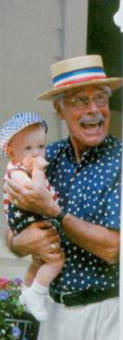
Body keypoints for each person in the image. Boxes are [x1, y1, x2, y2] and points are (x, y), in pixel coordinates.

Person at [5, 54, 123, 340]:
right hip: (55, 311)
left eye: (100, 98)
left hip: (109, 310)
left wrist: (54, 212)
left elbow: (114, 248)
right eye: (80, 101)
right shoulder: (45, 156)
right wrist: (21, 242)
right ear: (60, 110)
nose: (93, 110)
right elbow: (13, 232)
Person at [0, 112, 64, 321]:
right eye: (28, 148)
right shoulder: (17, 171)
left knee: (39, 261)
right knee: (56, 260)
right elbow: (36, 192)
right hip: (26, 220)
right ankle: (37, 292)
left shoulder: (22, 166)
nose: (36, 153)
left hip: (30, 219)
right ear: (11, 151)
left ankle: (27, 291)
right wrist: (38, 170)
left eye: (41, 147)